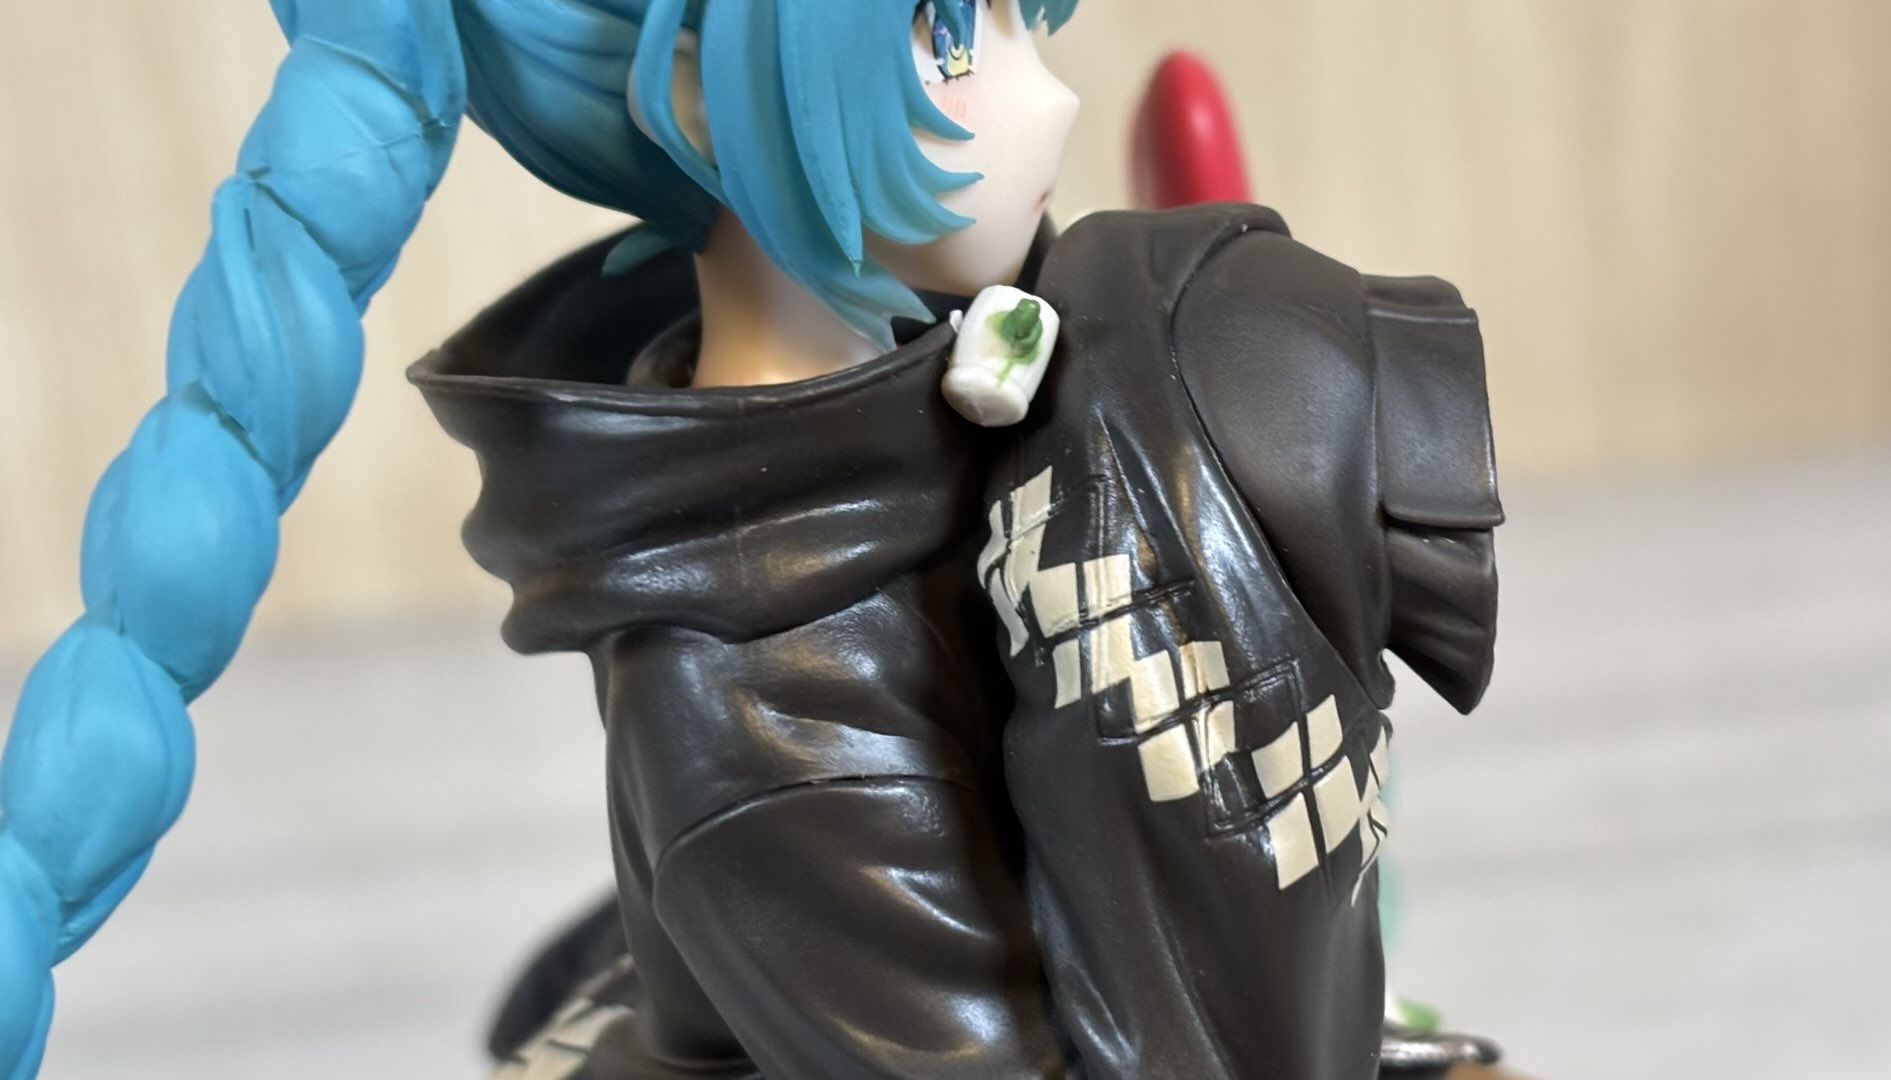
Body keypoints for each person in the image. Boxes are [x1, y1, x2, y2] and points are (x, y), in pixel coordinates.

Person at [0, 1, 1511, 1076]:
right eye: (948, 37)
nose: (1046, 100)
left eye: (1017, 20)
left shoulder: (943, 389)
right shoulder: (761, 708)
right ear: (705, 95)